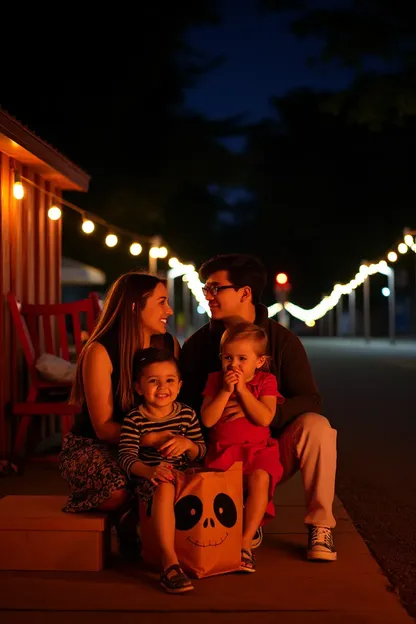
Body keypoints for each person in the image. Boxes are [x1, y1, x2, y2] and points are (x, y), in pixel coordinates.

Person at [179, 254, 337, 562]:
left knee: (318, 427)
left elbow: (309, 399)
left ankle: (321, 526)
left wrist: (264, 412)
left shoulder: (282, 341)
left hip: (267, 447)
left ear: (245, 292)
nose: (206, 295)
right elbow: (183, 405)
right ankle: (239, 509)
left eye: (214, 287)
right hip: (217, 449)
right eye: (205, 287)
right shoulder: (199, 346)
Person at [59, 271, 179, 560]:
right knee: (117, 490)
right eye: (162, 302)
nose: (169, 311)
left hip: (150, 445)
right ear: (136, 306)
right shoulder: (99, 351)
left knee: (170, 480)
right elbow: (102, 428)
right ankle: (117, 514)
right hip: (95, 445)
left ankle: (144, 532)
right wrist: (153, 439)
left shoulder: (167, 346)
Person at [118, 347, 206, 594]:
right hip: (151, 480)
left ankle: (205, 550)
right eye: (153, 381)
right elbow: (125, 457)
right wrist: (148, 471)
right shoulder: (135, 419)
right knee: (165, 486)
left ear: (179, 385)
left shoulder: (187, 415)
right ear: (138, 387)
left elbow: (201, 450)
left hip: (185, 477)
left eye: (169, 381)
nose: (162, 387)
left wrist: (188, 445)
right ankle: (169, 562)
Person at [201, 322, 284, 573]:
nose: (233, 365)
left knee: (260, 478)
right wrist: (226, 391)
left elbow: (265, 417)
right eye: (228, 357)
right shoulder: (216, 381)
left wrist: (244, 392)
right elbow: (207, 419)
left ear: (259, 361)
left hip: (257, 452)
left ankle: (246, 542)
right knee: (219, 495)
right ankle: (224, 536)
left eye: (242, 358)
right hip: (224, 452)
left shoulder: (266, 381)